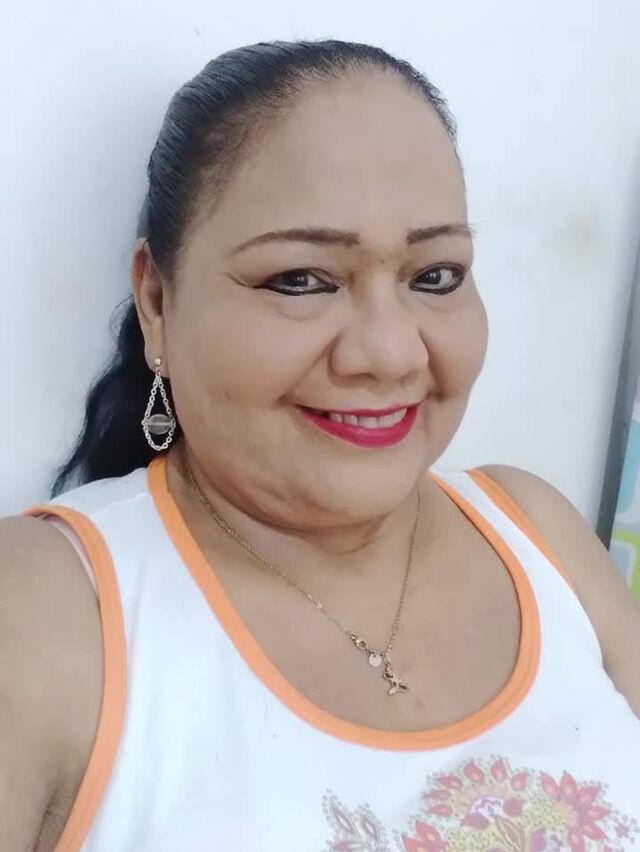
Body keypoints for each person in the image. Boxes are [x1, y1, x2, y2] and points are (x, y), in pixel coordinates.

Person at [1, 39, 639, 852]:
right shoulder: (45, 608)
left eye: (435, 276)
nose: (392, 353)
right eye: (301, 280)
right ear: (157, 300)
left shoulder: (534, 530)